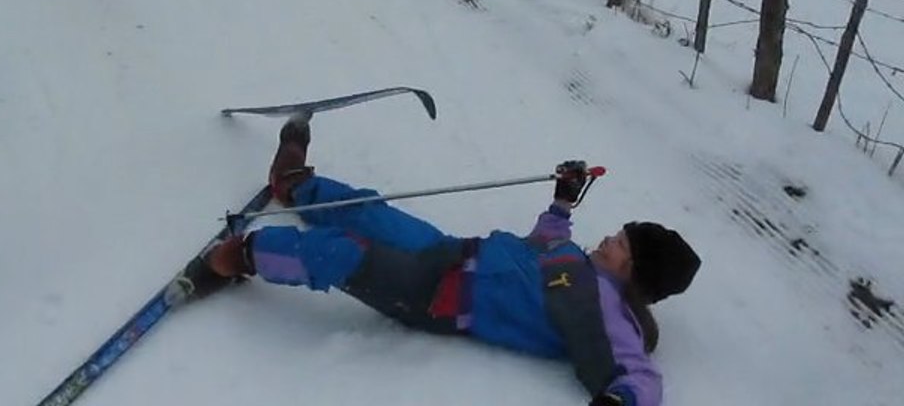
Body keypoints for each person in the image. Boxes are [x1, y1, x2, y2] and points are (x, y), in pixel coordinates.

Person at [184, 117, 701, 406]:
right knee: (369, 212)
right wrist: (563, 200)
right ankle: (295, 186)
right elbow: (548, 239)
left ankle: (239, 258)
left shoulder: (610, 319)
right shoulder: (578, 261)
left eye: (619, 245)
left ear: (632, 273)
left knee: (344, 253)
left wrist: (622, 401)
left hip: (439, 298)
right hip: (450, 253)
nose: (607, 240)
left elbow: (641, 379)